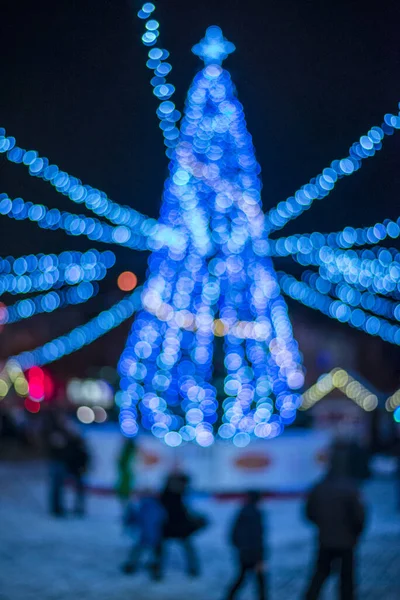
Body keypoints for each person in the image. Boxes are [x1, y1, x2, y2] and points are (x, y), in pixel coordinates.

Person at [303, 450, 366, 600]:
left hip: (325, 539)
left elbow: (309, 512)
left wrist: (321, 526)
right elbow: (359, 516)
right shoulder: (350, 488)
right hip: (346, 541)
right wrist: (355, 533)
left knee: (320, 575)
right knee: (346, 579)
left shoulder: (319, 487)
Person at [156, 472, 205, 578]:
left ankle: (157, 570)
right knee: (184, 548)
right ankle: (157, 570)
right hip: (175, 527)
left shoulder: (169, 494)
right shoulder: (174, 495)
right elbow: (179, 512)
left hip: (170, 526)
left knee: (162, 549)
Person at [224, 490, 267, 600]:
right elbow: (257, 537)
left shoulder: (242, 512)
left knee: (243, 578)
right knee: (259, 579)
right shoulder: (256, 514)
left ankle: (229, 597)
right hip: (253, 553)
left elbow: (233, 534)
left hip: (244, 552)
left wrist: (240, 548)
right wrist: (260, 557)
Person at [122, 490, 166, 579]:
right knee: (155, 553)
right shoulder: (159, 508)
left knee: (138, 550)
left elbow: (132, 519)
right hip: (156, 536)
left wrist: (128, 516)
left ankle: (132, 565)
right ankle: (155, 569)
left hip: (143, 536)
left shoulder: (141, 508)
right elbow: (164, 519)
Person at [45, 412, 70, 517]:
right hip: (56, 462)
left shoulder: (63, 431)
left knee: (59, 487)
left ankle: (58, 507)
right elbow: (59, 446)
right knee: (56, 487)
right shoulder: (55, 432)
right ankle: (55, 508)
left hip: (61, 462)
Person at [65, 429, 90, 516]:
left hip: (79, 471)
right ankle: (77, 507)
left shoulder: (81, 447)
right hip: (76, 471)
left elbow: (85, 459)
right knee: (76, 491)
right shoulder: (74, 446)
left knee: (79, 491)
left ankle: (79, 508)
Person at [116, 438, 137, 512]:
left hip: (127, 476)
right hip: (126, 476)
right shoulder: (129, 451)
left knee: (126, 495)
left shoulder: (129, 452)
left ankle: (127, 512)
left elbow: (123, 463)